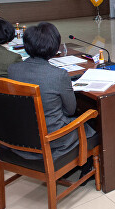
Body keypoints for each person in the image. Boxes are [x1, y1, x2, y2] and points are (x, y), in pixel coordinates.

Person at [8, 22, 96, 161]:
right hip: (52, 137)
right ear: (55, 48)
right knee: (91, 123)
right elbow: (70, 110)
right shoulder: (58, 75)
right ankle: (86, 163)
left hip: (22, 133)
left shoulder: (13, 69)